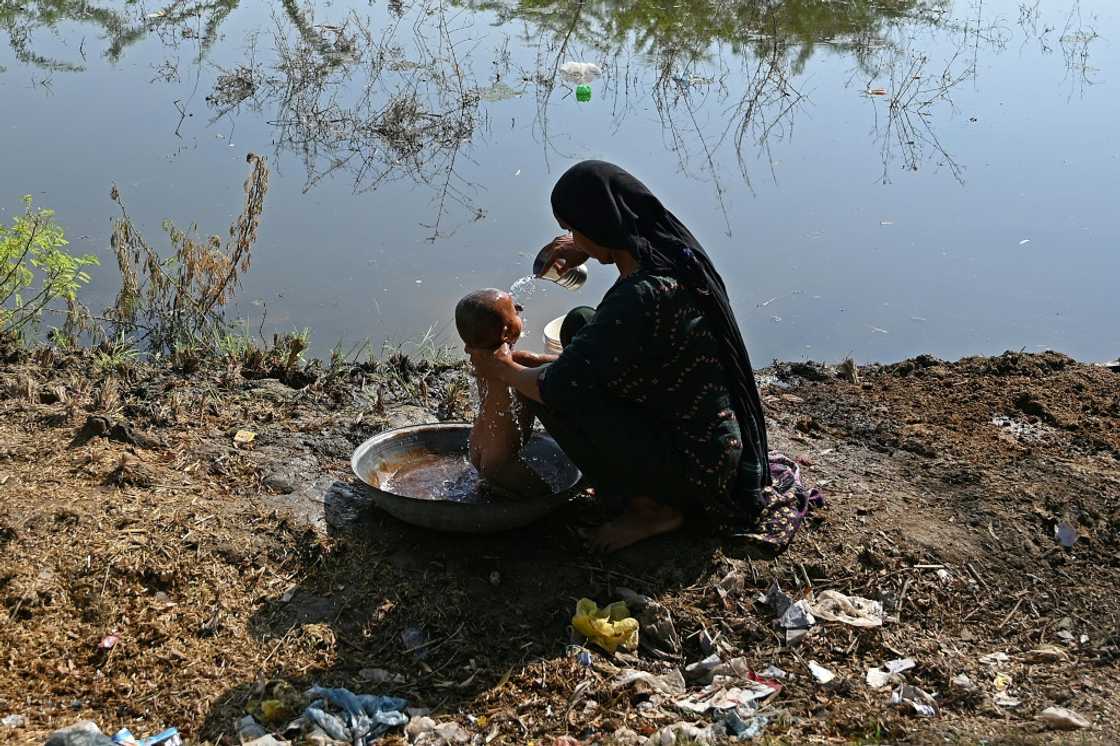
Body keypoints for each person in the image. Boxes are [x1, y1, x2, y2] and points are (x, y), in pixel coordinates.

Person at [466, 160, 814, 553]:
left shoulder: (643, 298)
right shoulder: (668, 253)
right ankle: (639, 481)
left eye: (573, 228)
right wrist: (585, 246)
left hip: (696, 467)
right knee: (580, 323)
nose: (570, 236)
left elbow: (557, 388)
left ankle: (654, 509)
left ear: (601, 226)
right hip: (705, 435)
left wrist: (499, 367)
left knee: (555, 390)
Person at [453, 289, 550, 497]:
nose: (519, 310)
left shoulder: (478, 363)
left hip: (477, 446)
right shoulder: (519, 362)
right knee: (544, 494)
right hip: (502, 460)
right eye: (514, 310)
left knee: (499, 490)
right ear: (506, 333)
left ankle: (495, 489)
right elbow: (563, 366)